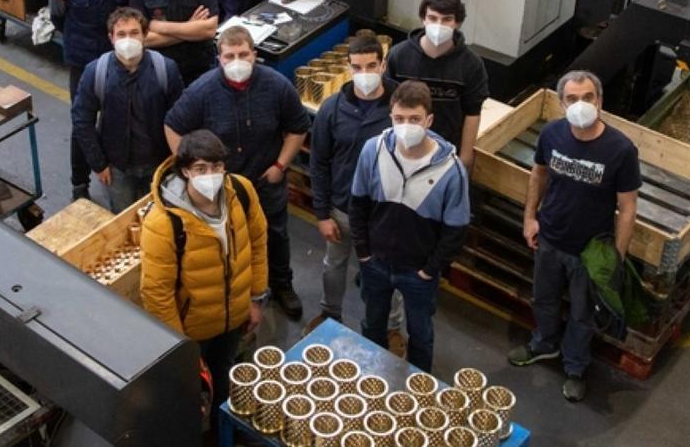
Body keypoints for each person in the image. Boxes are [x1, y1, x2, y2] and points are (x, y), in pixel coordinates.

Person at [508, 70, 640, 402]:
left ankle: (576, 366)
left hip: (589, 251)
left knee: (583, 313)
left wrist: (616, 258)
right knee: (544, 298)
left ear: (600, 100)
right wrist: (530, 218)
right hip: (550, 238)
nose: (581, 104)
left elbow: (627, 208)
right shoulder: (551, 134)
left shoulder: (620, 149)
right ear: (561, 103)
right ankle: (544, 344)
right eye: (572, 98)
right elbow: (538, 174)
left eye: (588, 97)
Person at [164, 26, 311, 319]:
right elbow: (173, 126)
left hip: (265, 182)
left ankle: (282, 285)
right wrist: (192, 173)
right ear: (218, 58)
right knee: (226, 241)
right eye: (229, 56)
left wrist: (280, 166)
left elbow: (298, 128)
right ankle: (235, 293)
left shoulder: (277, 86)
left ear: (254, 55)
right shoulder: (201, 91)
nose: (237, 61)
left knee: (275, 235)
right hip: (222, 188)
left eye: (243, 54)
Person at [141, 129, 268, 428]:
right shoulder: (164, 223)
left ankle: (224, 427)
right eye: (200, 168)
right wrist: (179, 347)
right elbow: (156, 293)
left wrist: (255, 299)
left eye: (216, 167)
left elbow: (258, 244)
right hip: (192, 330)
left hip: (233, 318)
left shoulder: (242, 192)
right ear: (185, 171)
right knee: (190, 390)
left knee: (224, 373)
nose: (210, 175)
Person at [350, 81, 470, 373]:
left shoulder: (451, 170)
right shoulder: (373, 151)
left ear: (429, 120)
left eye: (415, 119)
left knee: (421, 335)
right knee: (372, 325)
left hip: (418, 272)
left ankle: (418, 389)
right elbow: (358, 205)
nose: (406, 126)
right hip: (376, 264)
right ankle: (373, 378)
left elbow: (455, 231)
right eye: (399, 118)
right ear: (390, 116)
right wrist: (364, 253)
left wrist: (429, 270)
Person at [306, 35, 407, 351]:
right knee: (334, 264)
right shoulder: (332, 109)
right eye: (358, 67)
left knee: (388, 273)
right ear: (349, 68)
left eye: (371, 66)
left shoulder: (399, 109)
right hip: (342, 209)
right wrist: (322, 214)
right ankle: (329, 313)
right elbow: (319, 163)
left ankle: (392, 328)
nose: (365, 74)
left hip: (383, 214)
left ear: (383, 65)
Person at [50, 0, 133, 201]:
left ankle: (118, 170)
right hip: (83, 62)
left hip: (116, 59)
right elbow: (57, 18)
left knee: (119, 116)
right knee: (82, 121)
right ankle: (79, 183)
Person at [70, 8, 184, 212]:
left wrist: (176, 160)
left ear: (145, 35)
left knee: (158, 217)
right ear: (111, 38)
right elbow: (82, 120)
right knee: (123, 218)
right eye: (121, 34)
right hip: (117, 169)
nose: (128, 39)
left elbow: (180, 118)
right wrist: (98, 164)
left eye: (134, 33)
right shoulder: (96, 72)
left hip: (158, 164)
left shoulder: (165, 69)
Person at [386, 0, 489, 173]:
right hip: (402, 151)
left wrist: (465, 159)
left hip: (446, 154)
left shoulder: (471, 64)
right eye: (432, 18)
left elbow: (472, 112)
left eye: (446, 19)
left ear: (457, 22)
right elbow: (386, 105)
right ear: (423, 19)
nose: (438, 25)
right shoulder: (398, 56)